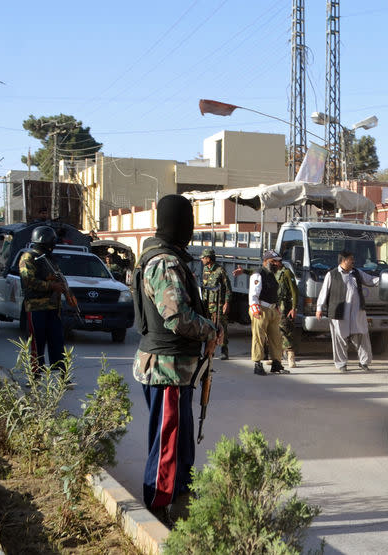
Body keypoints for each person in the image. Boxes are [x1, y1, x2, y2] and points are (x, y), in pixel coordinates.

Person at [132, 194, 222, 514]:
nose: (192, 227)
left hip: (175, 368)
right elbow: (177, 317)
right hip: (166, 368)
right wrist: (210, 330)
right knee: (168, 445)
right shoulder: (165, 262)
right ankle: (158, 506)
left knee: (180, 443)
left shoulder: (167, 257)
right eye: (188, 220)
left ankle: (181, 502)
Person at [316, 250, 379, 372]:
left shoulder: (356, 272)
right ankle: (341, 364)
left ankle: (364, 362)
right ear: (344, 261)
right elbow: (324, 292)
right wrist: (319, 308)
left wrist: (385, 280)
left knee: (362, 335)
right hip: (339, 312)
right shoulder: (332, 274)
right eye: (351, 259)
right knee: (339, 338)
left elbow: (371, 280)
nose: (353, 262)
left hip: (357, 312)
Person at [19, 226, 67, 374]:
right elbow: (28, 281)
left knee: (57, 342)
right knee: (36, 343)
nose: (53, 245)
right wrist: (51, 286)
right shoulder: (28, 257)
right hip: (36, 307)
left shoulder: (49, 258)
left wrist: (63, 288)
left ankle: (62, 375)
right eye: (51, 242)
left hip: (53, 308)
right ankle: (35, 374)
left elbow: (59, 276)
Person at [248, 250, 287, 376]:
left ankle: (276, 363)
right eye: (273, 261)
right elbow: (253, 294)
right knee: (259, 337)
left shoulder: (271, 274)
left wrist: (276, 308)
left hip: (272, 310)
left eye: (277, 261)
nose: (276, 264)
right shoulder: (258, 274)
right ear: (265, 261)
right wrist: (255, 308)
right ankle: (257, 364)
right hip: (261, 309)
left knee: (276, 337)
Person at [201, 248, 232, 360]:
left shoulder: (220, 271)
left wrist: (227, 303)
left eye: (203, 257)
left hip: (218, 305)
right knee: (209, 328)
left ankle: (224, 350)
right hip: (207, 305)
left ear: (209, 258)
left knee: (222, 327)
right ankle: (210, 351)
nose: (202, 259)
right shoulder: (205, 269)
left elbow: (228, 288)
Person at [276, 259, 299, 368]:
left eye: (273, 262)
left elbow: (294, 291)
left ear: (278, 262)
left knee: (286, 329)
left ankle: (291, 356)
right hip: (275, 305)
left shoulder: (287, 273)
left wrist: (294, 308)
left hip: (285, 306)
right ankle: (278, 358)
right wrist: (244, 271)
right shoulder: (274, 272)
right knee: (276, 331)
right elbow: (256, 272)